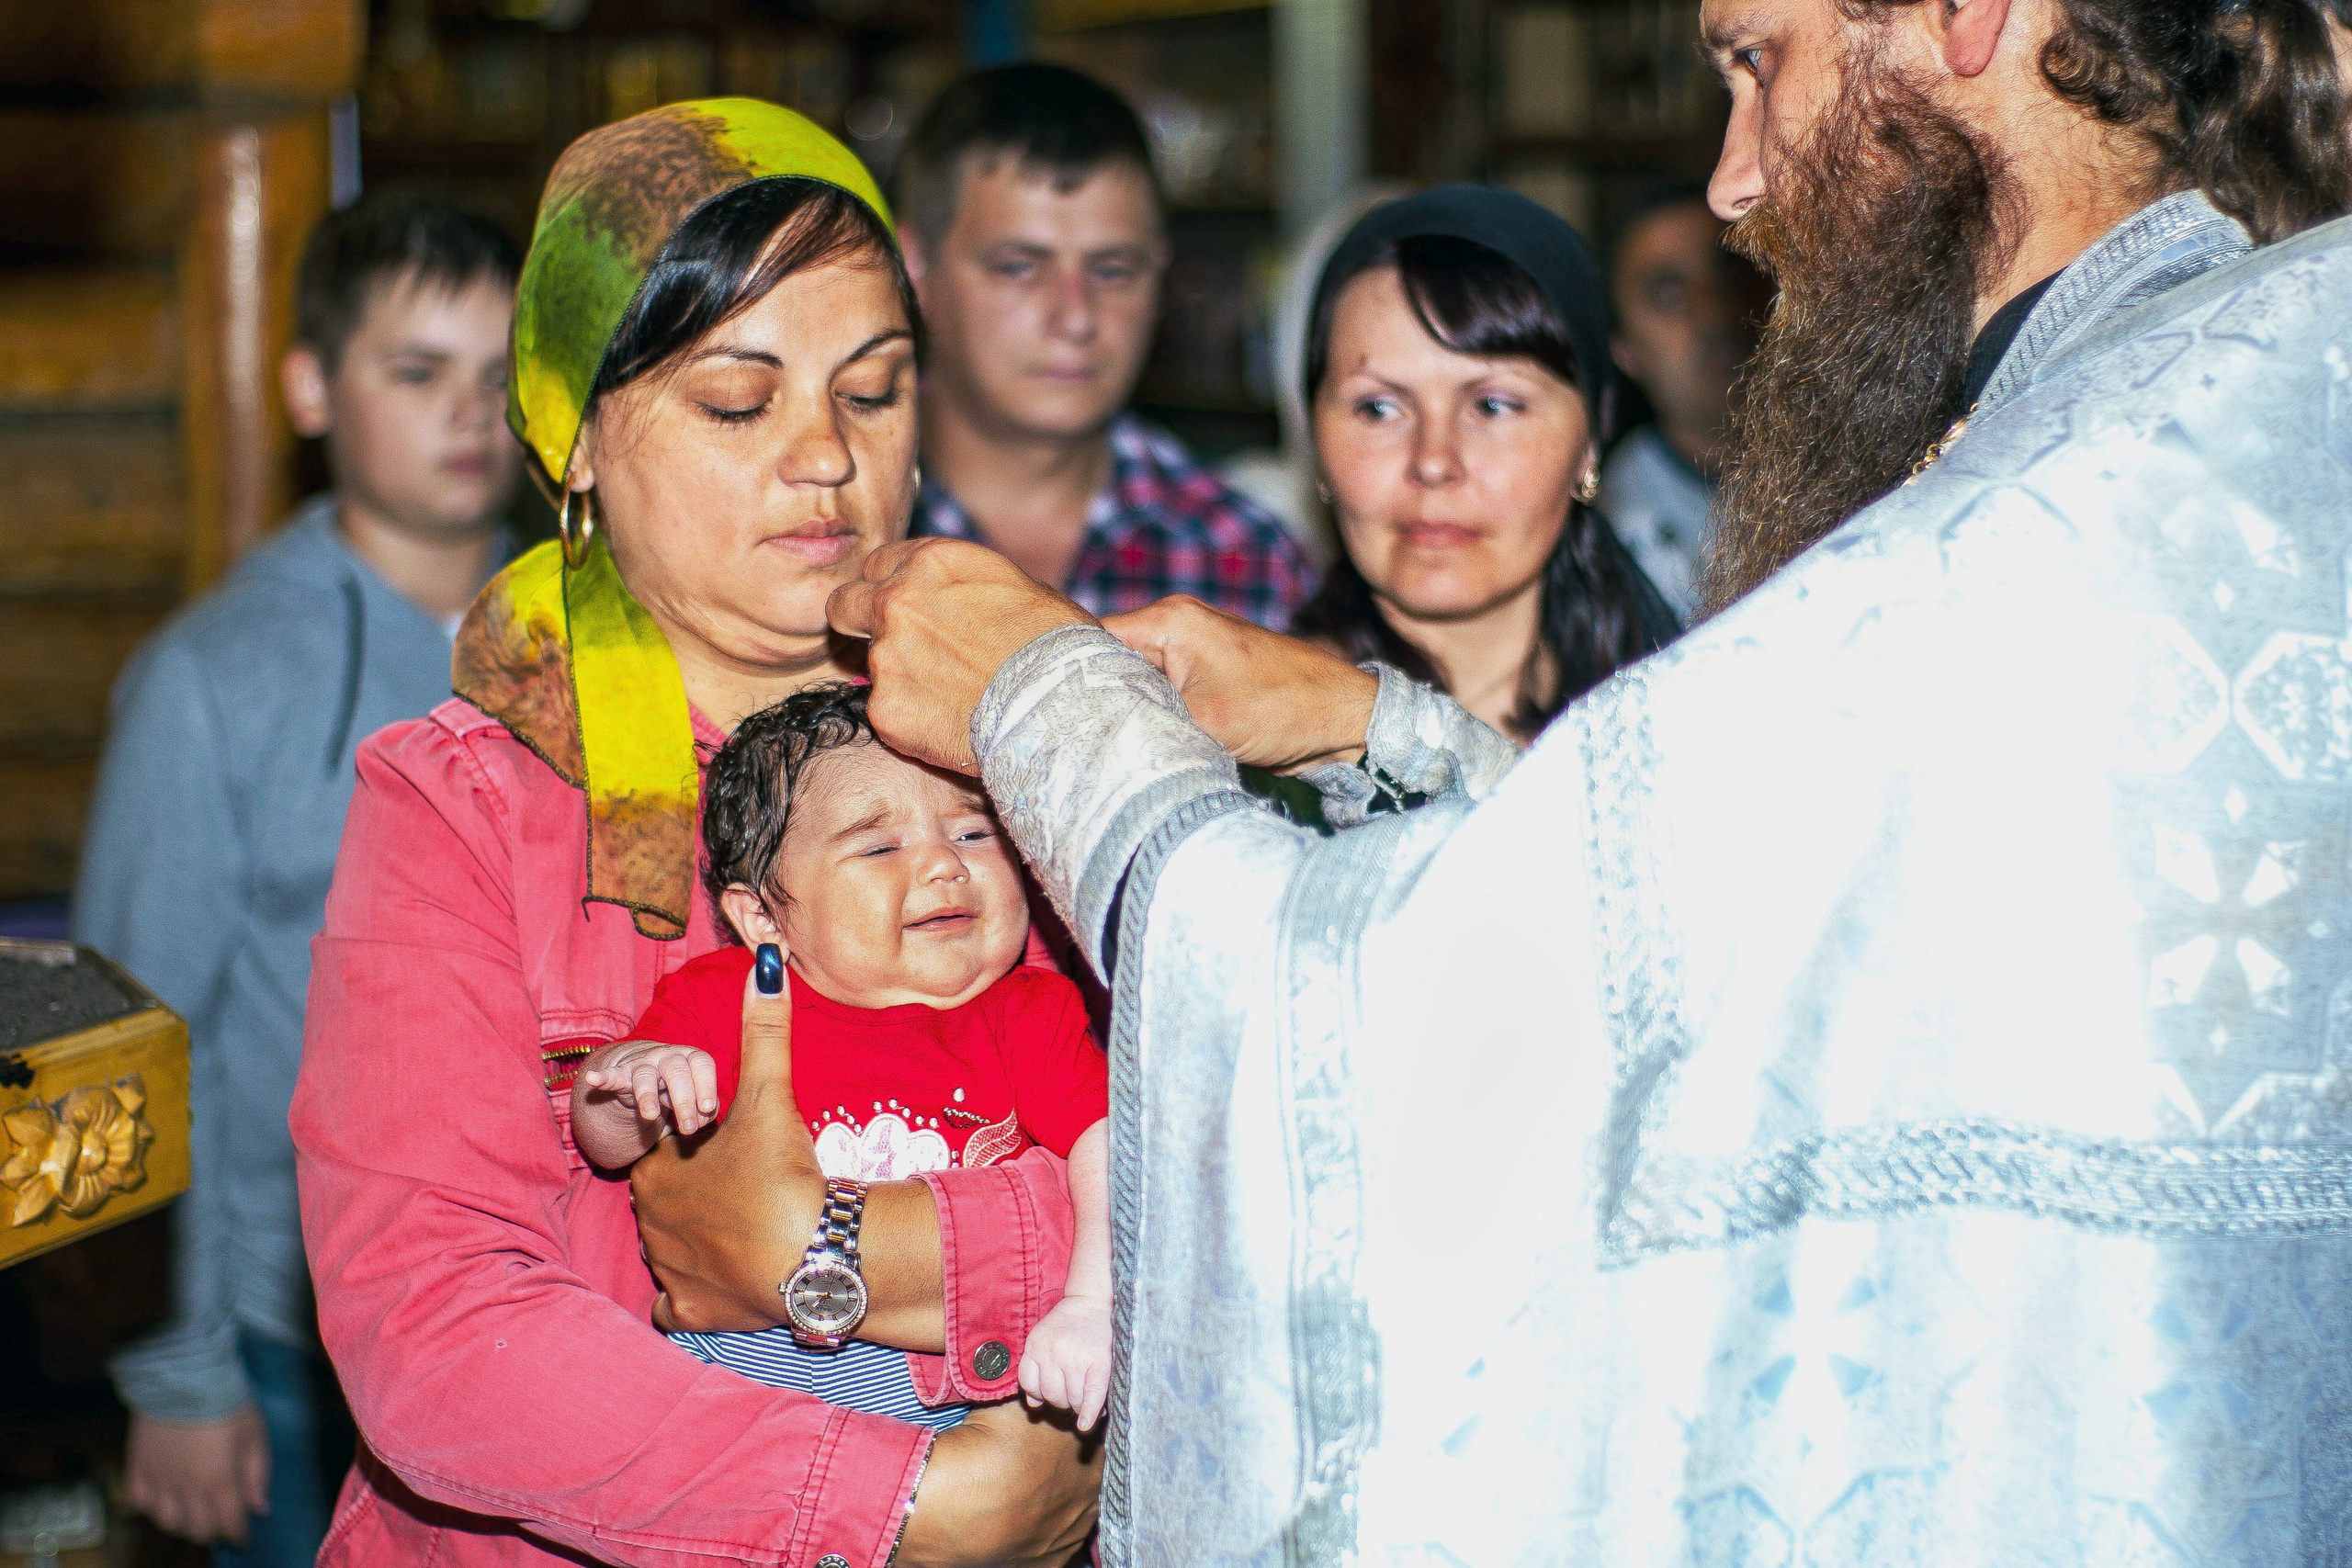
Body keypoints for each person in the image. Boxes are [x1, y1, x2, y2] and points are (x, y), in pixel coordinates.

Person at [828, 0, 2352, 1558]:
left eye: (1760, 62)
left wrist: (1040, 694)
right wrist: (1379, 717)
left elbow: (1432, 1022)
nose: (1736, 181)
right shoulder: (2221, 414)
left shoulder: (2042, 526)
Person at [288, 100, 1096, 1568]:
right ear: (576, 437)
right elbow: (441, 1327)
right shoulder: (469, 803)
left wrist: (834, 1245)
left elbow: (1204, 1187)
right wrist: (900, 1505)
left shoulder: (1021, 754)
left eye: (873, 389)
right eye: (740, 401)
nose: (824, 458)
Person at [73, 192, 522, 1565]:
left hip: (548, 1309)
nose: (470, 413)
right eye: (418, 369)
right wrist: (177, 1376)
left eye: (504, 376)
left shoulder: (607, 637)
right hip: (292, 1325)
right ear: (312, 386)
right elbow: (124, 1043)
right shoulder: (211, 678)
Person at [569, 682, 1113, 1433]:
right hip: (733, 1373)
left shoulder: (1030, 1012)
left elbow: (1108, 1151)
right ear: (762, 915)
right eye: (881, 845)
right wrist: (629, 1086)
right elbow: (604, 1145)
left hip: (952, 1384)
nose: (944, 867)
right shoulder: (724, 997)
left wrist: (1090, 1303)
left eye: (975, 834)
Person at [896, 62, 1315, 626]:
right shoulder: (831, 528)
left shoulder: (1248, 559)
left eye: (1113, 270)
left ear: (1160, 272)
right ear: (914, 264)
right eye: (1018, 267)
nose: (1076, 318)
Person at [1287, 186, 1678, 745]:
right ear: (1315, 441)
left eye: (1494, 405)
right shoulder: (1240, 753)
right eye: (1379, 408)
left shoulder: (1687, 732)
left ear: (1591, 439)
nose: (1434, 462)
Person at [1594, 187, 1768, 619]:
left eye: (1732, 273)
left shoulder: (1881, 465)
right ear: (1624, 350)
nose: (1713, 311)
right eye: (1668, 295)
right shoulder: (1618, 532)